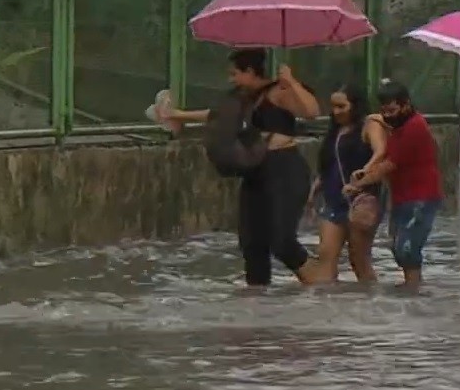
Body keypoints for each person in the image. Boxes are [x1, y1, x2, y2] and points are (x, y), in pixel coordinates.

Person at [162, 48, 333, 285]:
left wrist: (291, 81)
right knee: (252, 243)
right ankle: (256, 306)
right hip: (256, 171)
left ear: (251, 71)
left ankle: (322, 287)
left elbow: (311, 111)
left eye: (235, 74)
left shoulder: (277, 92)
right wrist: (178, 116)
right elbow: (216, 115)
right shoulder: (243, 99)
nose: (232, 80)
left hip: (284, 169)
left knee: (282, 241)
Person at [343, 79, 442, 289]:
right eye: (384, 110)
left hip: (420, 196)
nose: (388, 115)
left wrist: (360, 184)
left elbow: (389, 164)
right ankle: (412, 286)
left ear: (405, 104)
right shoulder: (400, 125)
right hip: (404, 195)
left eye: (393, 110)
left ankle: (413, 287)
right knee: (398, 245)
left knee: (406, 246)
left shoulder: (414, 127)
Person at [310, 84, 389, 283]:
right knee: (326, 254)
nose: (336, 112)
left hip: (362, 200)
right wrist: (314, 189)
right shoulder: (335, 132)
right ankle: (326, 303)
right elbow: (330, 165)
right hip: (334, 200)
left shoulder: (369, 125)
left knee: (358, 258)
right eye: (333, 106)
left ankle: (369, 303)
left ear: (355, 106)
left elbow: (381, 152)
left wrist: (364, 172)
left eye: (341, 106)